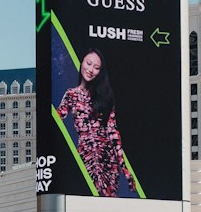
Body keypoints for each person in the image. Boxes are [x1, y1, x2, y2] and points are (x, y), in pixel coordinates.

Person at [56, 49, 140, 198]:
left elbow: (113, 132)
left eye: (96, 67)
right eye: (88, 63)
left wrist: (124, 168)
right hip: (85, 155)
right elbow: (57, 120)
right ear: (82, 62)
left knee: (108, 202)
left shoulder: (105, 96)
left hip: (107, 159)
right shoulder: (71, 94)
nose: (90, 70)